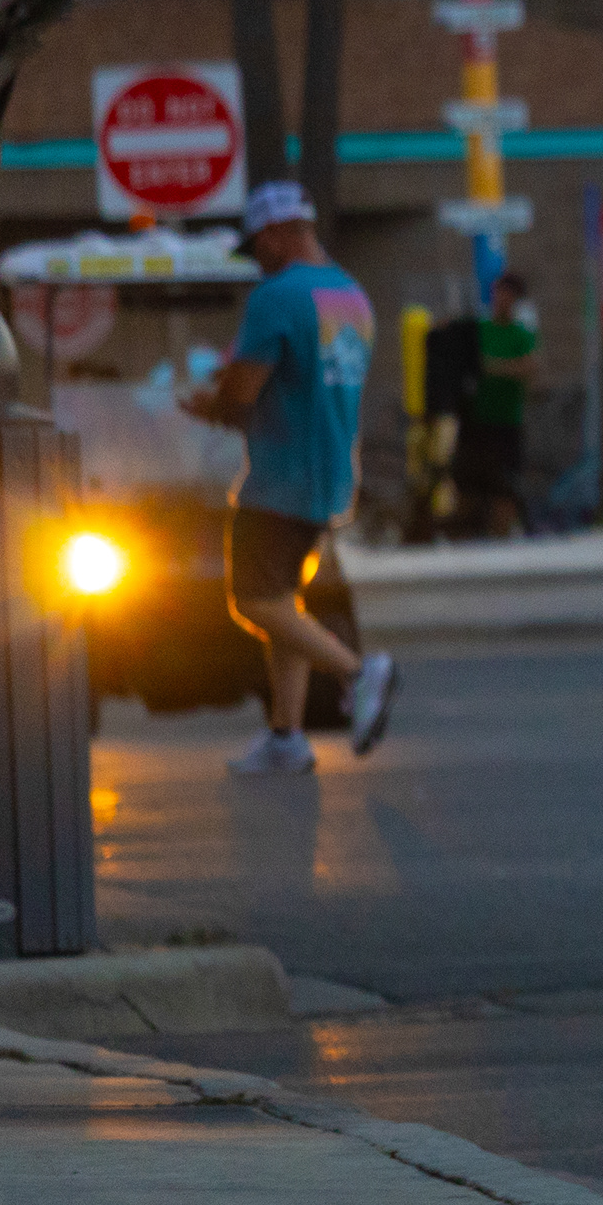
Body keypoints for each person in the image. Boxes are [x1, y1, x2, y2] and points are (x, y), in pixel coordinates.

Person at [183, 184, 398, 773]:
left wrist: (205, 402)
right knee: (283, 601)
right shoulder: (350, 294)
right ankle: (286, 738)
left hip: (280, 479)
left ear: (276, 236)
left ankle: (358, 672)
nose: (256, 258)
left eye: (257, 246)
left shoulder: (276, 297)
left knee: (251, 601)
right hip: (330, 476)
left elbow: (240, 398)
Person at [457, 273, 539, 538]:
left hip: (507, 422)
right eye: (498, 294)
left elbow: (528, 367)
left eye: (508, 296)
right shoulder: (480, 329)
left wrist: (491, 367)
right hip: (476, 422)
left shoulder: (520, 334)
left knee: (505, 486)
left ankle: (501, 535)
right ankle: (468, 534)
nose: (501, 301)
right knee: (468, 483)